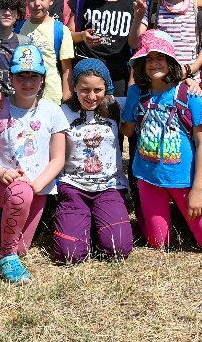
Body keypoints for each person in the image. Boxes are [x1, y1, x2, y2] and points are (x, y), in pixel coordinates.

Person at [120, 30, 202, 254]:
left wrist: (198, 189)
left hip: (184, 181)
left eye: (160, 57)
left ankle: (180, 215)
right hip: (148, 178)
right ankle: (152, 214)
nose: (154, 63)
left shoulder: (189, 94)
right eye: (148, 59)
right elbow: (128, 131)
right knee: (158, 243)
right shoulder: (136, 93)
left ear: (171, 61)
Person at [0, 45, 68, 284]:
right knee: (13, 242)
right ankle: (5, 256)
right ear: (11, 78)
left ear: (42, 79)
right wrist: (0, 173)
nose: (27, 83)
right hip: (4, 184)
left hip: (38, 187)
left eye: (33, 76)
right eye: (21, 76)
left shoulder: (53, 112)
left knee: (22, 247)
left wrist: (36, 186)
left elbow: (58, 158)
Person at [54, 58, 133, 264]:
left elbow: (149, 93)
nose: (91, 96)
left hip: (109, 187)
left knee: (118, 249)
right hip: (73, 187)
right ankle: (82, 224)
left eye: (98, 90)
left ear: (106, 87)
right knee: (69, 254)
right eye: (84, 90)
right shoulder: (62, 112)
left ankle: (100, 223)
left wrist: (187, 82)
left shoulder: (116, 106)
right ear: (74, 87)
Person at [68, 0, 136, 96]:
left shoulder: (132, 3)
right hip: (87, 71)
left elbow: (137, 44)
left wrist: (139, 16)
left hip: (117, 73)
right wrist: (83, 36)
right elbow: (68, 34)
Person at [19, 0, 75, 105]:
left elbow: (66, 70)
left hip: (52, 99)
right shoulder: (18, 28)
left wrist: (66, 101)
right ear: (25, 0)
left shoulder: (61, 30)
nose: (36, 3)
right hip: (23, 98)